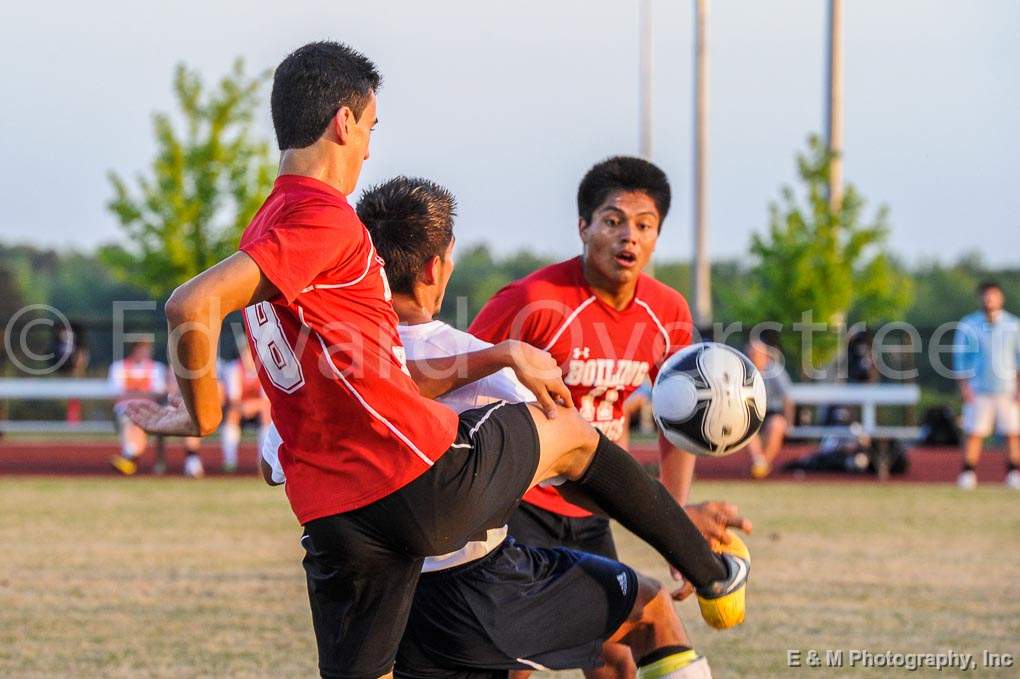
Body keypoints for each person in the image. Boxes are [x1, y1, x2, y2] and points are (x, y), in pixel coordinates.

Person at [125, 42, 746, 679]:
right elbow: (189, 305)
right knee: (569, 434)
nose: (368, 146)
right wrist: (200, 417)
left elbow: (369, 372)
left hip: (334, 519)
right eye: (371, 127)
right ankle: (713, 572)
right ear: (344, 121)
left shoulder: (263, 233)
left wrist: (494, 353)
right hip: (417, 481)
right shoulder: (327, 220)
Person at [261, 176, 744, 677]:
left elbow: (273, 461)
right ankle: (713, 578)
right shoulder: (486, 359)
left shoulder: (318, 372)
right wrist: (672, 524)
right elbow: (579, 470)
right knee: (650, 612)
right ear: (437, 267)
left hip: (379, 600)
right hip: (474, 588)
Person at [469, 157, 707, 678]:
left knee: (619, 655)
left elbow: (678, 424)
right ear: (583, 226)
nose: (629, 236)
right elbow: (463, 378)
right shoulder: (533, 299)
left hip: (595, 500)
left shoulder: (668, 312)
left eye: (645, 225)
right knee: (514, 660)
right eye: (613, 220)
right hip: (521, 501)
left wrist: (675, 523)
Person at [953, 281, 1020, 490]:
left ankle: (1013, 472)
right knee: (975, 432)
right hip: (978, 389)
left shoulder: (1013, 325)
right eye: (986, 295)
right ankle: (968, 473)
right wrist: (964, 387)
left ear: (1001, 298)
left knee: (1011, 433)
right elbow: (960, 359)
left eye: (994, 295)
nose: (989, 299)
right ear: (980, 298)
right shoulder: (969, 324)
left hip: (1007, 389)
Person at [108, 340, 204, 477]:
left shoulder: (158, 368)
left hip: (152, 409)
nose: (144, 352)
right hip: (128, 410)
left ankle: (192, 460)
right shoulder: (119, 367)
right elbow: (116, 396)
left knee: (186, 417)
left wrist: (131, 393)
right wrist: (146, 393)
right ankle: (130, 455)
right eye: (140, 348)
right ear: (133, 350)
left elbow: (161, 392)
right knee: (136, 417)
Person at [744, 339, 793, 479]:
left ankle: (762, 465)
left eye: (755, 354)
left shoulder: (775, 371)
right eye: (750, 354)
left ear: (765, 356)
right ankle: (760, 463)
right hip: (751, 413)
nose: (752, 357)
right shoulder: (743, 372)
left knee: (776, 425)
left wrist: (788, 424)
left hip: (772, 412)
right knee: (746, 428)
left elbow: (787, 399)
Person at [220, 340, 270, 472]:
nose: (247, 358)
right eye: (245, 354)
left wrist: (253, 406)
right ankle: (230, 462)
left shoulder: (265, 370)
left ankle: (263, 462)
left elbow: (267, 401)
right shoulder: (234, 369)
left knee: (267, 414)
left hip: (259, 411)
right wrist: (244, 408)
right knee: (232, 414)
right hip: (240, 410)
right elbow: (233, 399)